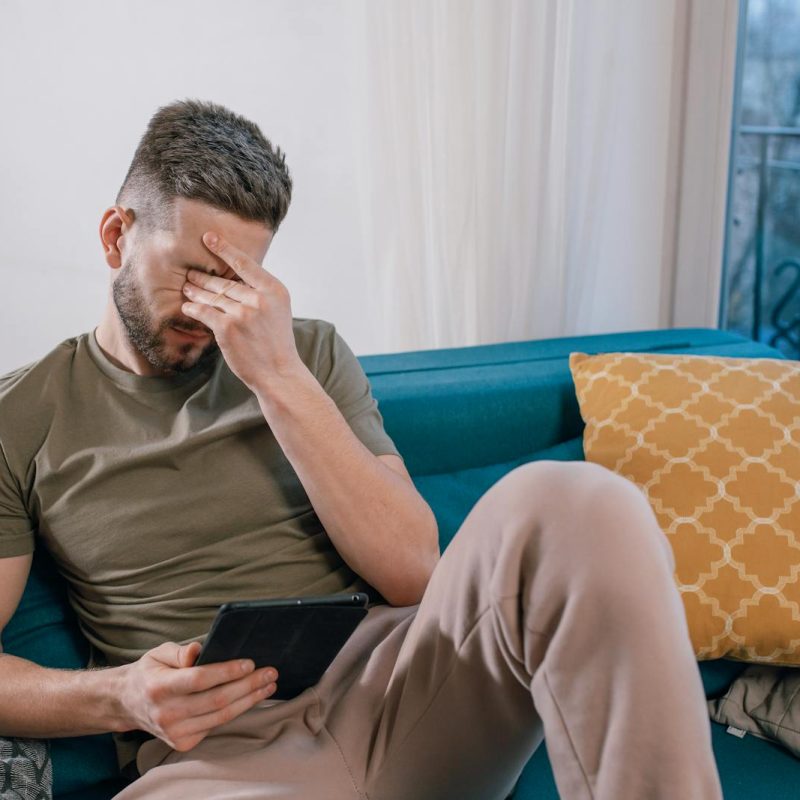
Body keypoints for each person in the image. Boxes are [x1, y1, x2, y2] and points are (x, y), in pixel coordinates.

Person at [0, 98, 723, 800]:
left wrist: (278, 378)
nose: (208, 307)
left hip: (404, 695)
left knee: (578, 502)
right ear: (114, 236)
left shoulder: (303, 352)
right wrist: (121, 694)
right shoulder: (22, 416)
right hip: (211, 763)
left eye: (236, 279)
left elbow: (413, 572)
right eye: (192, 271)